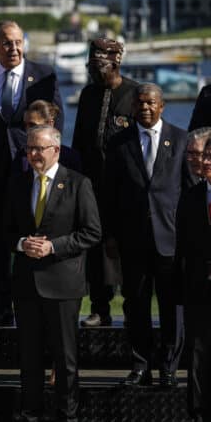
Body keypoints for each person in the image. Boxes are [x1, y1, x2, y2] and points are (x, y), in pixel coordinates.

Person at [5, 126, 101, 422]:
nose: (33, 154)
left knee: (66, 360)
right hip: (27, 286)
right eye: (29, 149)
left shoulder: (78, 184)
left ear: (56, 150)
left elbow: (91, 232)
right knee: (29, 360)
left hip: (62, 285)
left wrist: (54, 246)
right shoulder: (18, 184)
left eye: (39, 149)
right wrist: (21, 243)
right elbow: (2, 231)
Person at [0, 20, 62, 328]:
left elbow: (55, 122)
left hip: (32, 166)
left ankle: (38, 304)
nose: (13, 48)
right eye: (6, 43)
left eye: (18, 42)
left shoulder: (45, 74)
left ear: (25, 43)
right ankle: (2, 306)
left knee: (35, 232)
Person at [103, 84, 186, 387]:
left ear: (162, 106)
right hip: (132, 240)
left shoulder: (180, 139)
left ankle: (169, 366)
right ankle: (141, 365)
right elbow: (109, 194)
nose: (145, 108)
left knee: (171, 306)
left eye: (151, 103)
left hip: (171, 240)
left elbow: (188, 192)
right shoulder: (118, 143)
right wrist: (110, 235)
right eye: (140, 103)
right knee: (135, 304)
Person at [71, 37, 137, 328]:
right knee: (95, 250)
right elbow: (78, 141)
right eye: (92, 65)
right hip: (92, 187)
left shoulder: (135, 94)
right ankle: (100, 308)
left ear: (116, 63)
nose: (96, 71)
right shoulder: (87, 95)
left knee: (128, 250)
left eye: (101, 65)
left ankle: (134, 308)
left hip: (126, 190)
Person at [175, 141, 211, 422]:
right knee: (198, 355)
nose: (208, 161)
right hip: (199, 289)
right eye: (206, 155)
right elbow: (182, 248)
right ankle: (199, 421)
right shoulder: (192, 197)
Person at [13, 100, 82, 174]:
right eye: (25, 125)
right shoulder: (22, 157)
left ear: (50, 124)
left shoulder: (70, 158)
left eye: (32, 125)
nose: (27, 130)